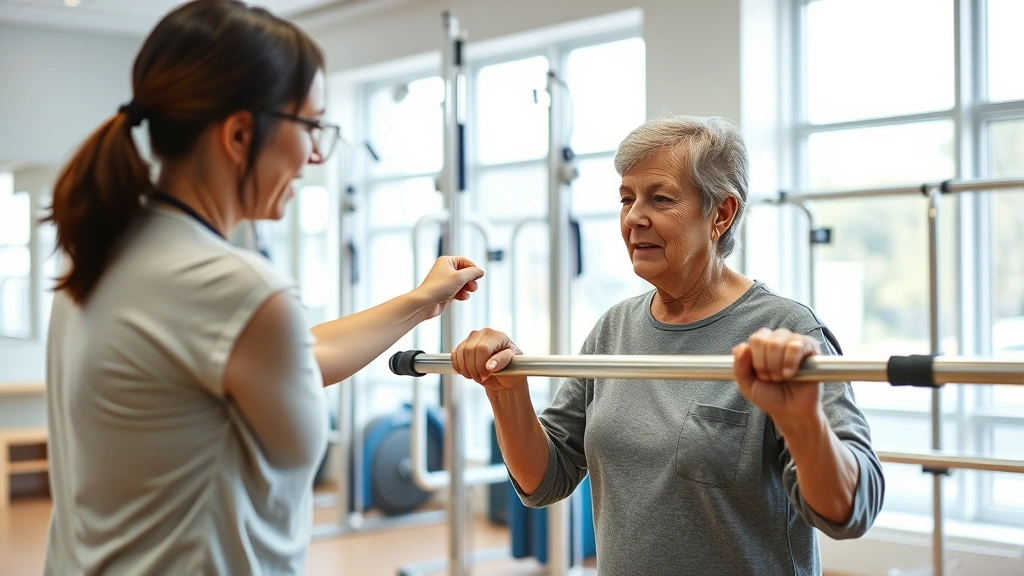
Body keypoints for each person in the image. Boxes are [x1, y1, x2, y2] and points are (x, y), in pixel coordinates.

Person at [41, 1, 484, 574]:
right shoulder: (232, 285)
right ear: (241, 132)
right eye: (310, 127)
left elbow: (286, 358)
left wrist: (421, 302)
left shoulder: (103, 252)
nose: (316, 154)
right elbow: (286, 358)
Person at [451, 115, 884, 575]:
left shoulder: (787, 330)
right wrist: (505, 391)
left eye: (660, 198)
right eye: (626, 198)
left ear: (721, 213)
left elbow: (851, 511)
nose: (634, 217)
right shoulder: (613, 329)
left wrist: (803, 423)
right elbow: (544, 480)